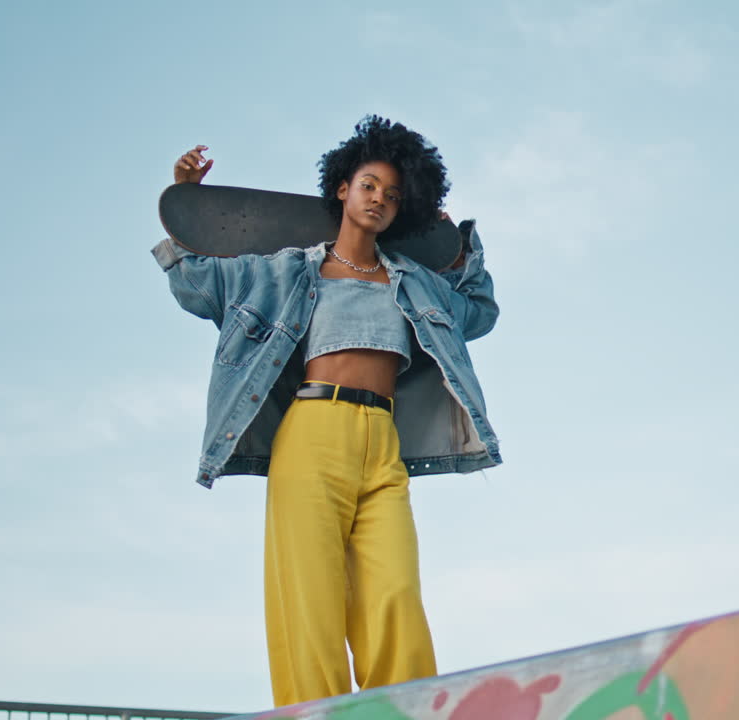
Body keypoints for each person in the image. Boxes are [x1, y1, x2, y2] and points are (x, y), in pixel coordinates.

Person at [151, 116, 501, 704]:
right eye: (368, 185)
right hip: (311, 434)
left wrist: (458, 247)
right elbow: (197, 283)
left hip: (382, 445)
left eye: (393, 195)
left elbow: (480, 311)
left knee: (394, 600)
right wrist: (185, 200)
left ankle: (404, 715)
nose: (379, 200)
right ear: (342, 188)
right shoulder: (288, 270)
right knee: (309, 608)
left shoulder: (414, 282)